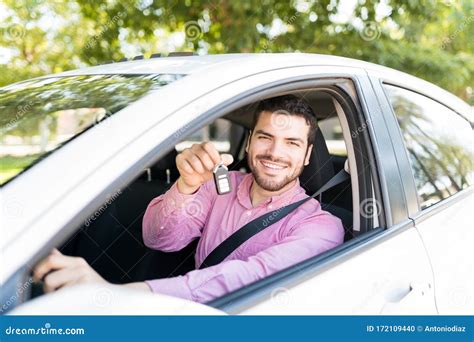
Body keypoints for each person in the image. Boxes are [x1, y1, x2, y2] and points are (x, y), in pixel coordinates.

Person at [33, 95, 344, 303]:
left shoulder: (320, 226)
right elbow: (159, 239)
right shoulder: (218, 185)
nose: (275, 153)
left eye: (291, 143)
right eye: (265, 137)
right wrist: (187, 185)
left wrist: (118, 295)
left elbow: (252, 277)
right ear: (249, 143)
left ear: (306, 156)